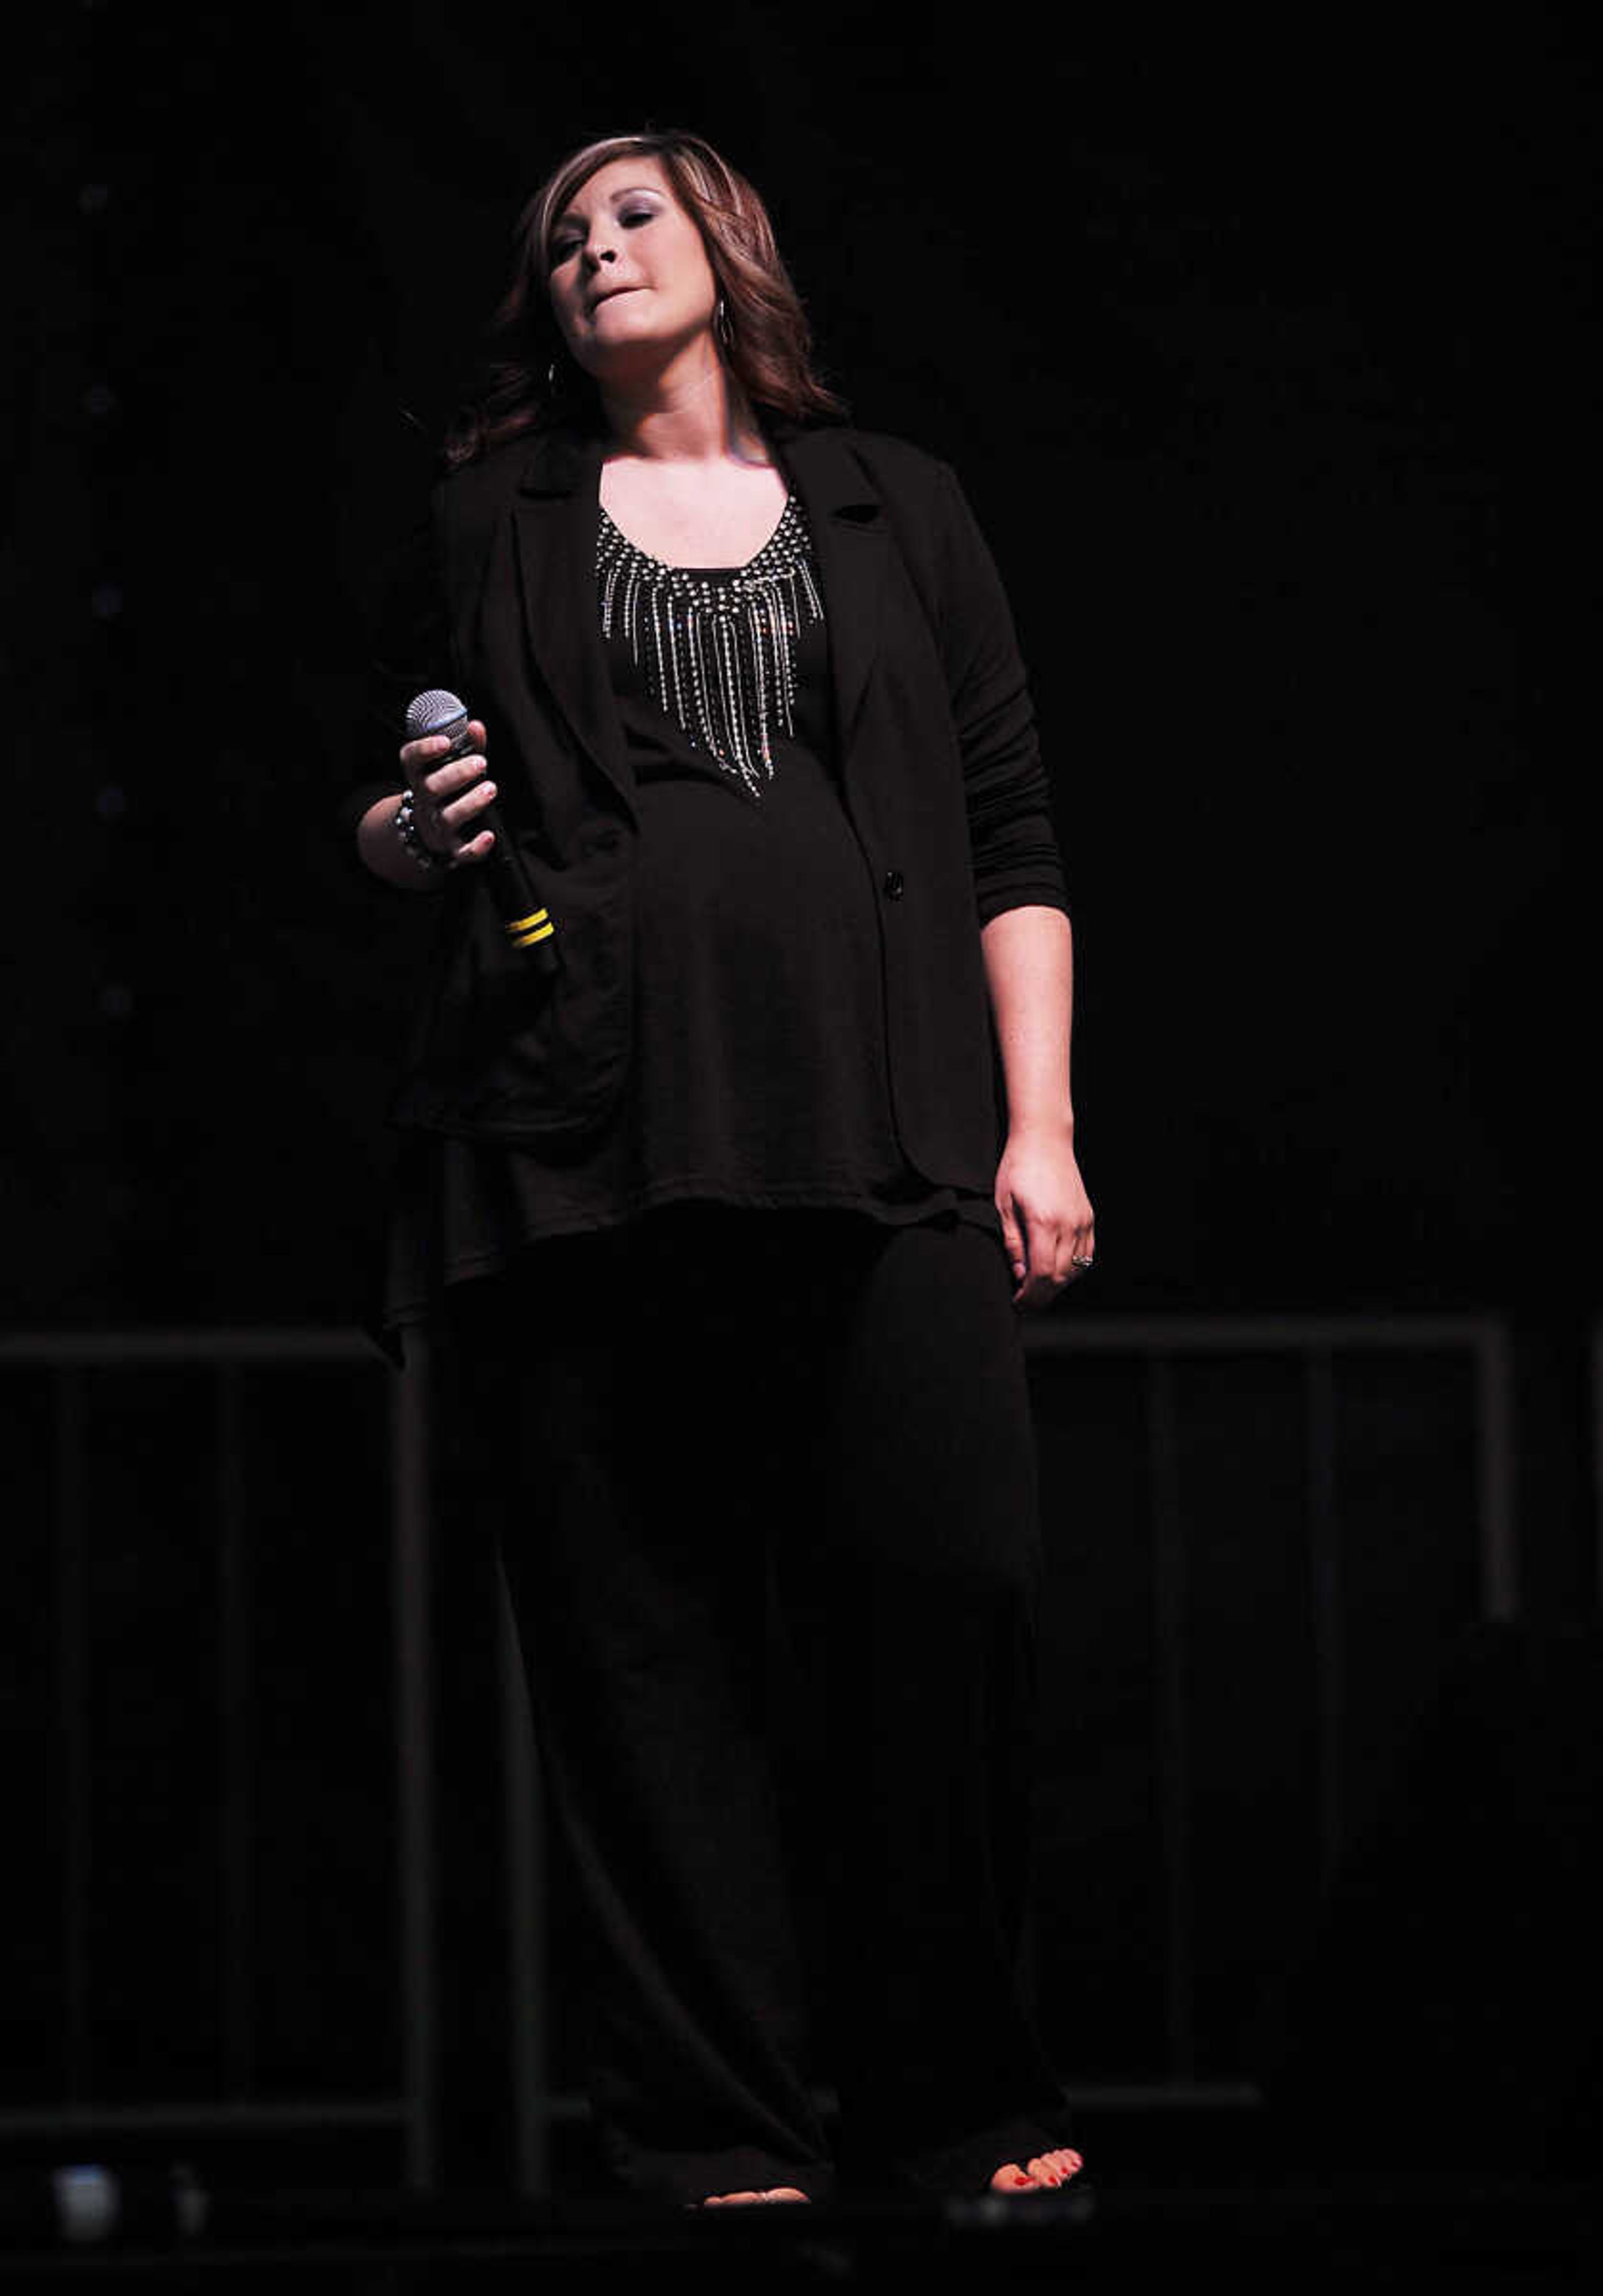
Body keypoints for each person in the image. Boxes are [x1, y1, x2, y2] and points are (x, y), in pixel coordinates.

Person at [339, 128, 1096, 2213]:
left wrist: (1038, 1125)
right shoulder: (493, 512)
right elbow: (390, 814)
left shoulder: (895, 502)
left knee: (945, 1604)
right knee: (641, 1648)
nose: (596, 246)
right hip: (594, 1134)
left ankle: (957, 2100)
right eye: (565, 234)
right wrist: (413, 838)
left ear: (727, 247)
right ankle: (715, 2136)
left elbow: (1013, 838)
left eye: (634, 211)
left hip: (893, 1130)